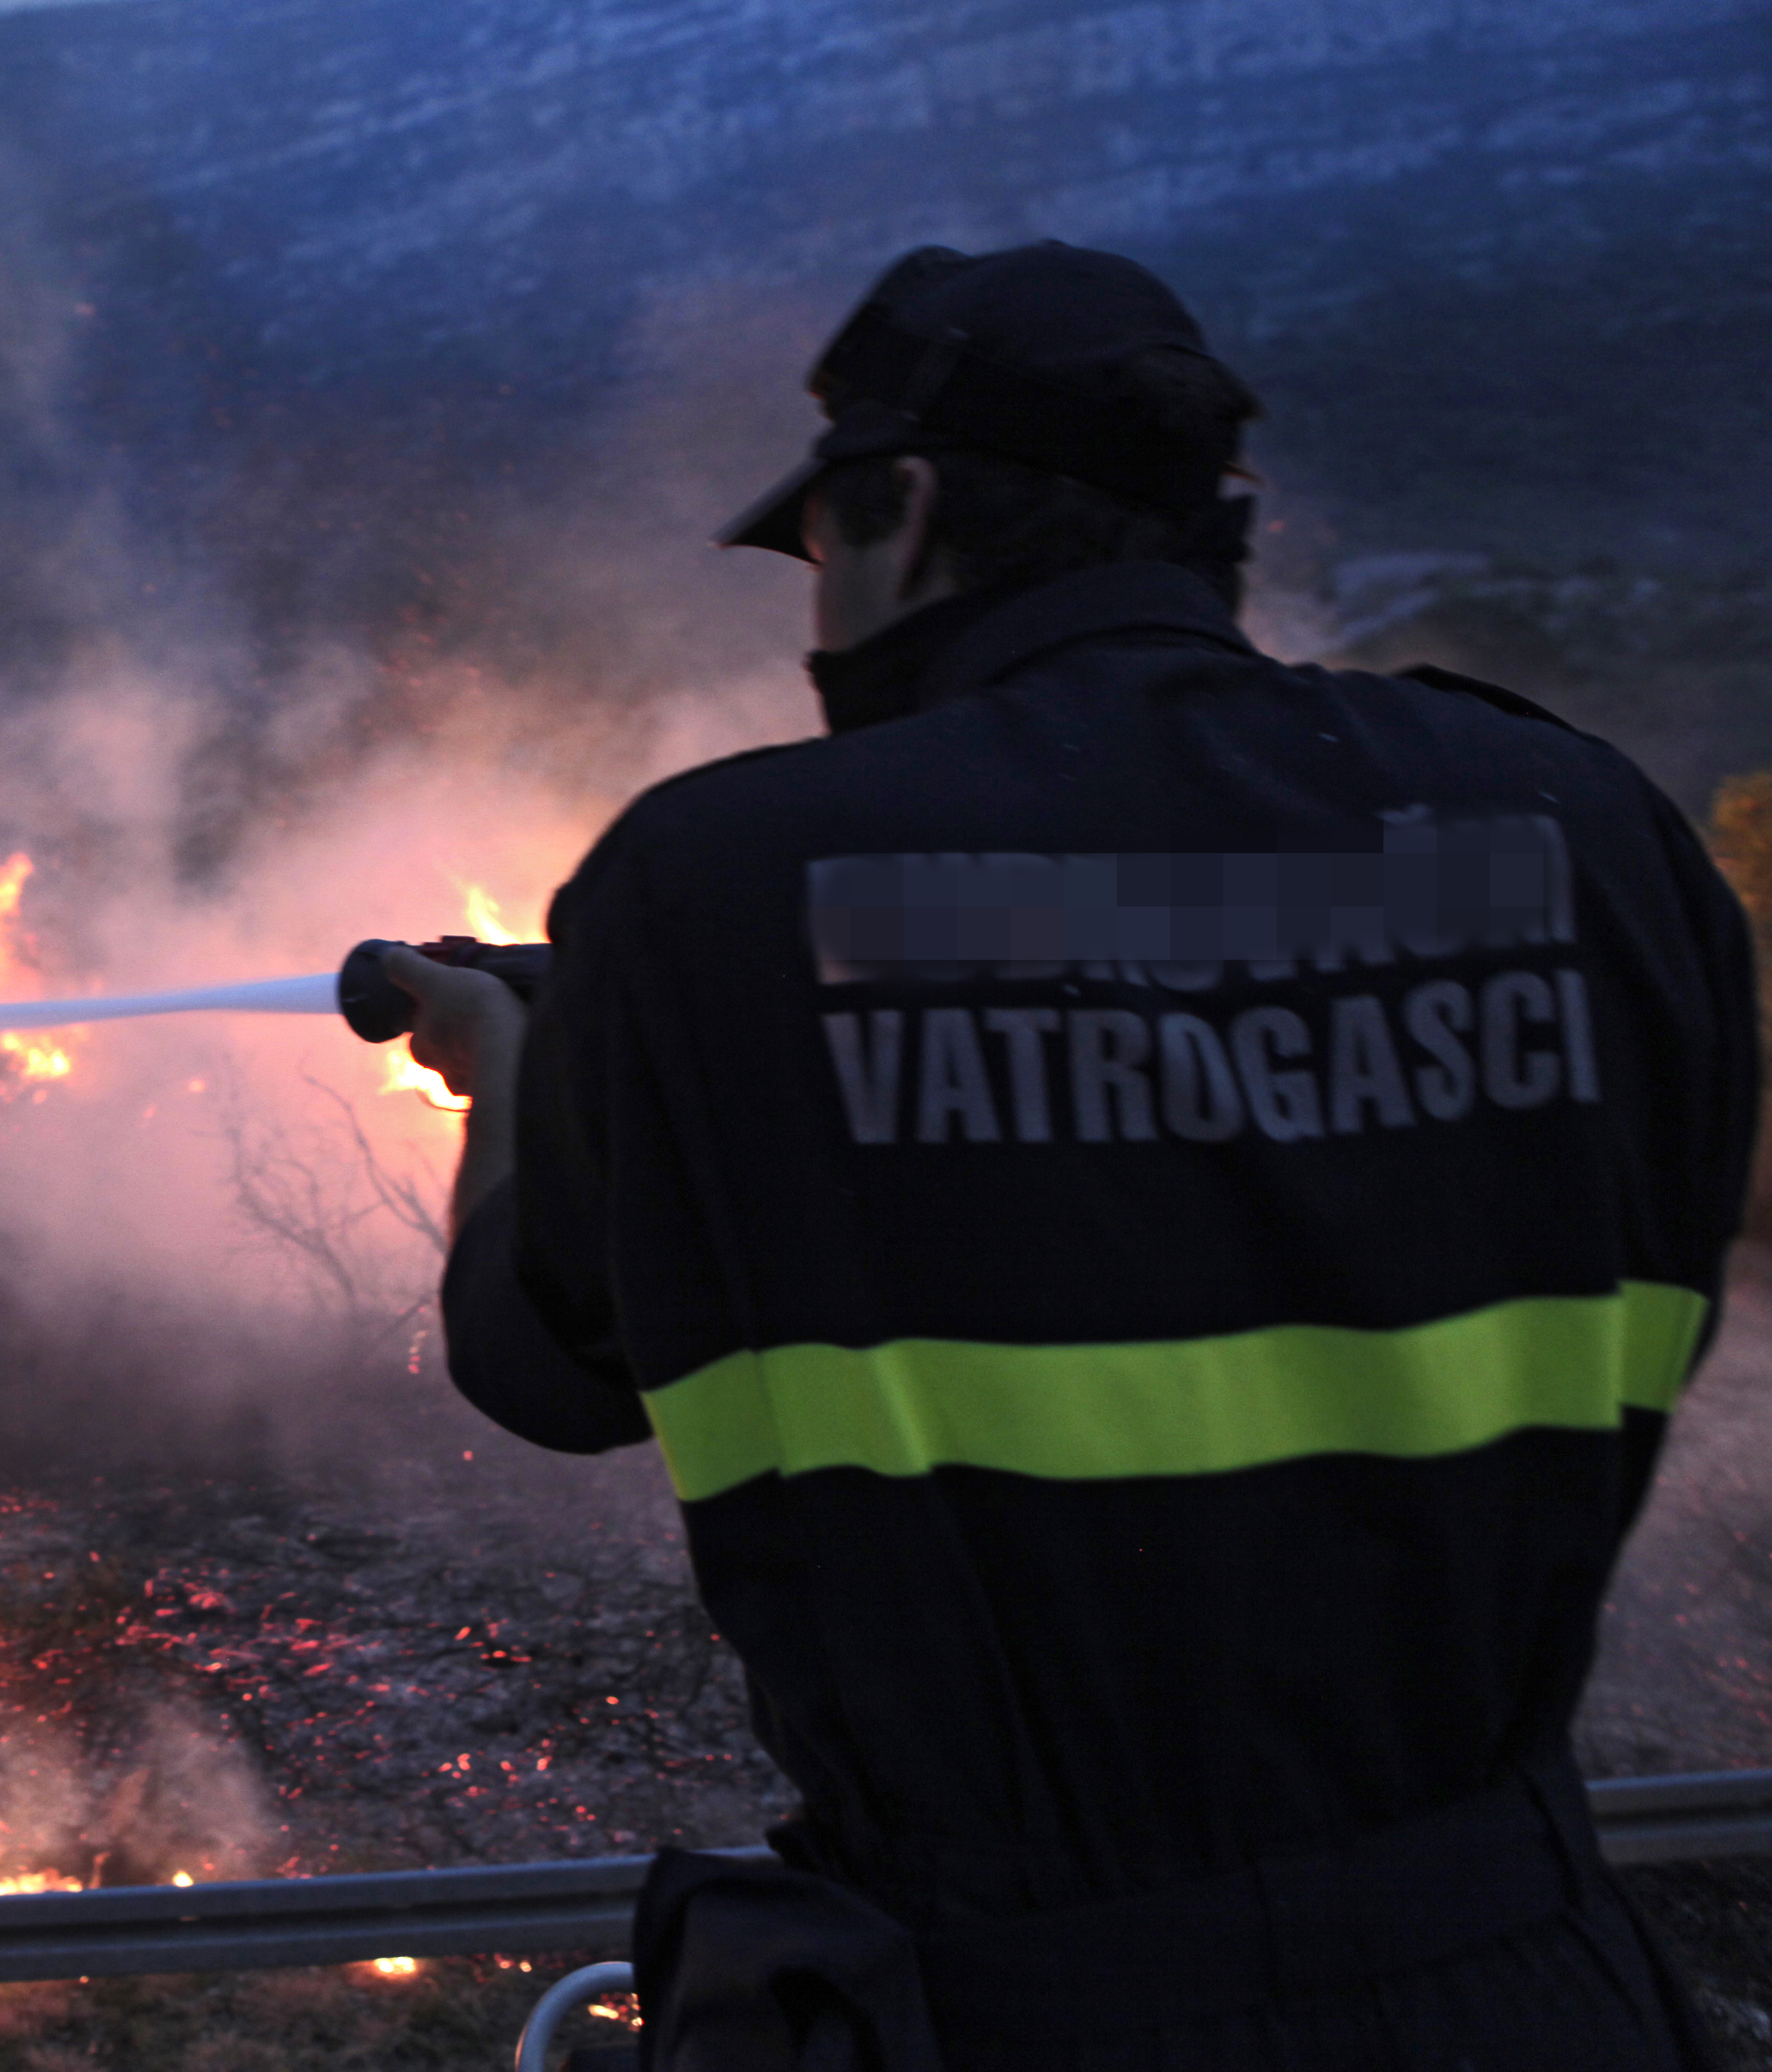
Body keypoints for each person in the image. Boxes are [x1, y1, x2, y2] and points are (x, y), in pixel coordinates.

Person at [391, 242, 1758, 2069]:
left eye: (816, 555)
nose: (814, 629)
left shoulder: (724, 889)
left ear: (902, 505)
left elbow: (540, 1365)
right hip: (1535, 1970)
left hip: (1037, 2010)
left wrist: (517, 1073)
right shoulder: (1590, 833)